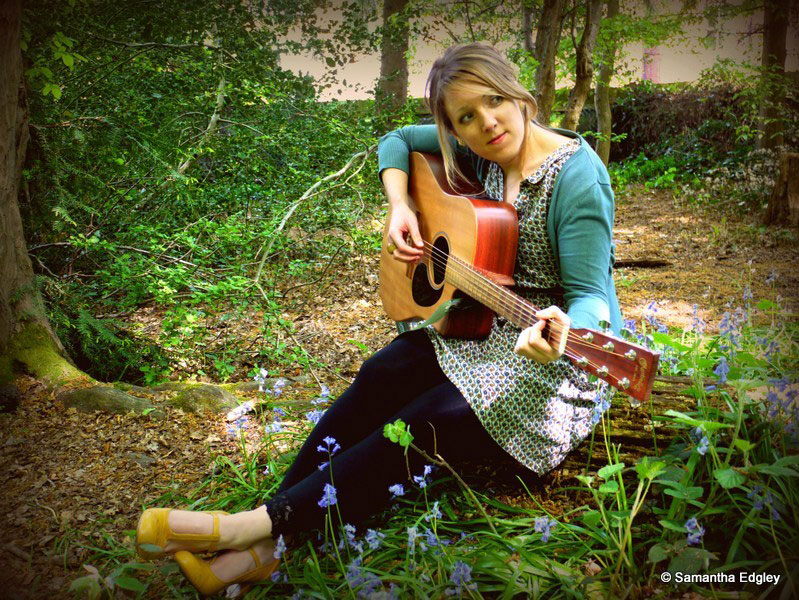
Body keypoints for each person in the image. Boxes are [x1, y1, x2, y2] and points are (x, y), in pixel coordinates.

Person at [134, 42, 622, 596]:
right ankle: (263, 549)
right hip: (480, 325)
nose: (487, 122)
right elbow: (393, 142)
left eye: (493, 101)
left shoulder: (577, 177)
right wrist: (402, 206)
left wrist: (563, 330)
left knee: (424, 418)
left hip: (555, 356)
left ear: (516, 92)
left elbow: (591, 299)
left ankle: (251, 531)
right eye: (466, 117)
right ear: (453, 131)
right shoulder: (476, 153)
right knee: (381, 374)